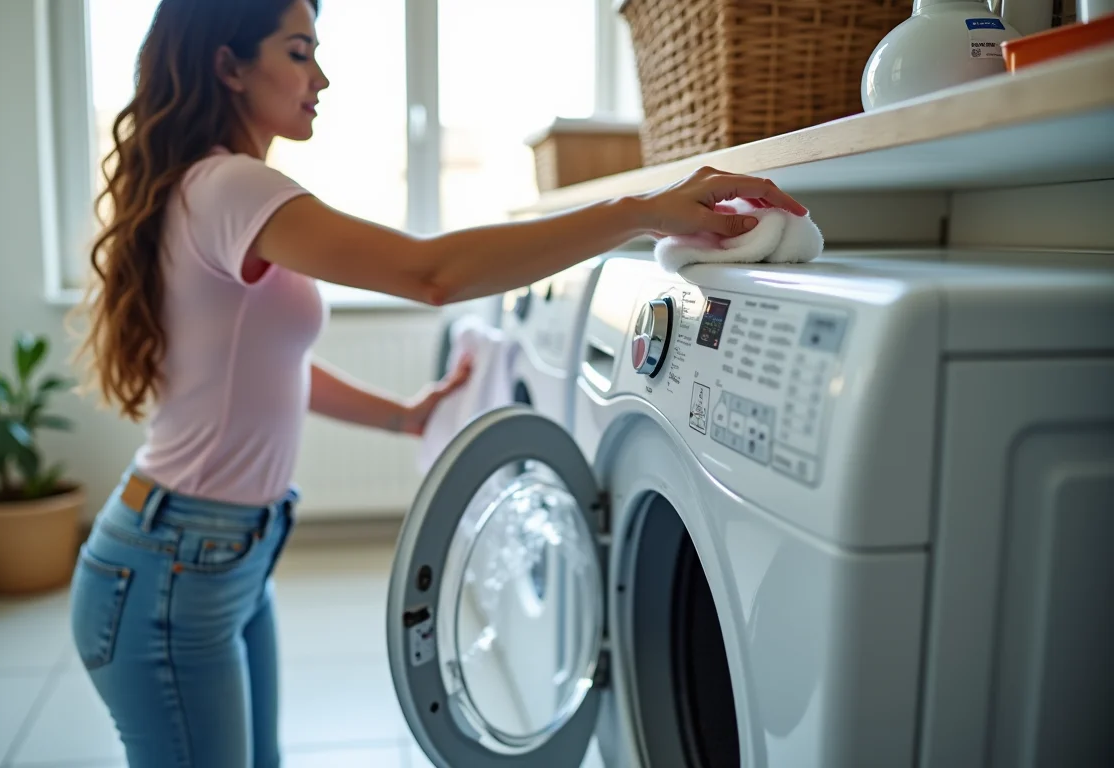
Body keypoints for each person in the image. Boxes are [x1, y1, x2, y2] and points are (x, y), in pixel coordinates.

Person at [66, 0, 807, 766]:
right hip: (174, 566)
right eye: (298, 52)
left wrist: (405, 416)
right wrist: (637, 213)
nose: (320, 78)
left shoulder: (208, 188)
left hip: (211, 555)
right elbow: (431, 273)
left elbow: (264, 362)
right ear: (229, 65)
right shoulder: (231, 186)